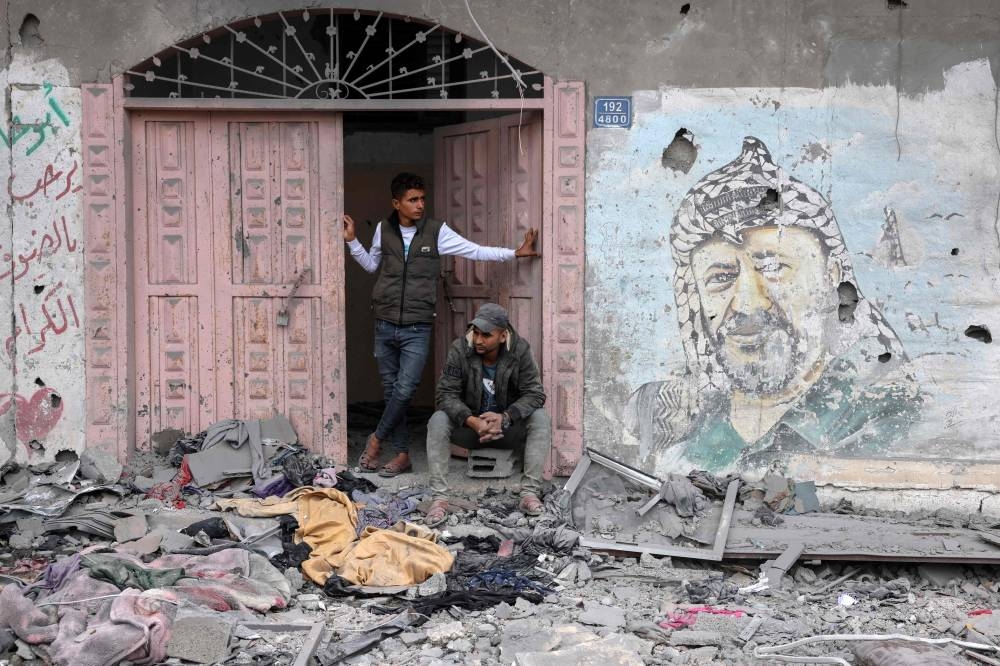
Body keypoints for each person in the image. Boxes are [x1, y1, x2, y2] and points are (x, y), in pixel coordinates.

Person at [626, 137, 921, 473]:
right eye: (721, 278)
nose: (749, 303)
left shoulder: (878, 417)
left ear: (832, 278)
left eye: (773, 267)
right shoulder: (692, 444)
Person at [344, 172, 539, 477]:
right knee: (392, 391)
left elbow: (473, 250)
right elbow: (371, 265)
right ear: (397, 203)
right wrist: (353, 241)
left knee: (405, 390)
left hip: (416, 326)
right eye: (413, 200)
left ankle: (376, 439)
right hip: (384, 323)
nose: (420, 205)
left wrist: (515, 253)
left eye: (422, 198)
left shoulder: (436, 231)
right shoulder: (383, 229)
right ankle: (403, 454)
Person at [423, 302, 550, 526]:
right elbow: (445, 395)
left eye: (486, 335)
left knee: (540, 417)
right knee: (438, 419)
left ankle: (529, 494)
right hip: (470, 429)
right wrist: (471, 421)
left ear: (503, 336)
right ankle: (440, 498)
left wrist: (506, 417)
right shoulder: (460, 349)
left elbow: (535, 394)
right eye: (476, 333)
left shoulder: (520, 351)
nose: (478, 340)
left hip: (507, 430)